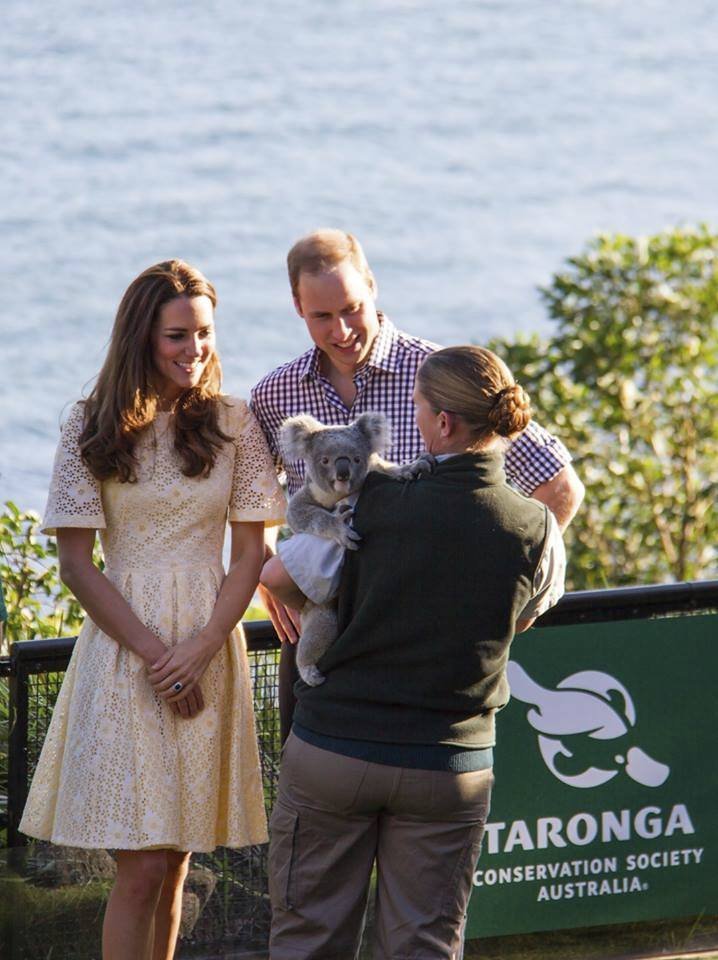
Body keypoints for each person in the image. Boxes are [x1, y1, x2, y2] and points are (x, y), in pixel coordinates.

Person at [260, 345, 566, 960]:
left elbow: (281, 577)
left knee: (308, 937)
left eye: (421, 410)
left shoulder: (369, 504)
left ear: (444, 423)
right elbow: (527, 614)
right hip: (448, 763)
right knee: (424, 942)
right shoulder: (536, 528)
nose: (415, 423)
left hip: (337, 747)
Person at [19, 261, 285, 960]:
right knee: (137, 866)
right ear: (141, 336)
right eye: (177, 335)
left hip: (211, 643)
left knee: (175, 864)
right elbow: (77, 565)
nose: (193, 349)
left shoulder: (234, 423)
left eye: (203, 333)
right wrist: (157, 655)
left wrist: (197, 649)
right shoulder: (88, 427)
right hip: (121, 656)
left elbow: (251, 555)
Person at [250, 228, 583, 739]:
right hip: (321, 636)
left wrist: (500, 597)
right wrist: (269, 573)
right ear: (297, 306)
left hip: (420, 646)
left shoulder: (436, 374)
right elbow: (253, 499)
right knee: (312, 803)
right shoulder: (275, 394)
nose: (341, 330)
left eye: (351, 308)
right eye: (321, 316)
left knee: (419, 792)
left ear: (372, 286)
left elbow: (558, 486)